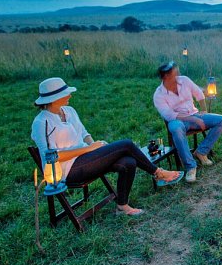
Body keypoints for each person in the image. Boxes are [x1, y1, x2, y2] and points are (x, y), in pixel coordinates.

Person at [31, 77, 183, 217]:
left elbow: (84, 133)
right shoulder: (42, 122)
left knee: (128, 162)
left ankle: (122, 207)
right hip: (66, 171)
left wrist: (94, 146)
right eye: (66, 94)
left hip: (86, 159)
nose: (70, 95)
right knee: (126, 144)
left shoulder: (69, 111)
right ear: (54, 98)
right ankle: (159, 173)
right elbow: (50, 156)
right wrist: (89, 149)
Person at [153, 61, 222, 182]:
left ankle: (201, 152)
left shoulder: (184, 81)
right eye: (174, 73)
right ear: (166, 76)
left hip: (195, 114)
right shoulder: (159, 95)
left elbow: (199, 93)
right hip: (177, 120)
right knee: (176, 129)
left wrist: (203, 111)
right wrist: (193, 119)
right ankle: (190, 166)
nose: (177, 74)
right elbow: (170, 115)